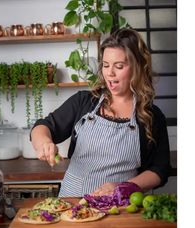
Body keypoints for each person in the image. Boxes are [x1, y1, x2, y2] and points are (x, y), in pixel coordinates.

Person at [31, 28, 171, 197]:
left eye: (119, 66)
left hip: (120, 209)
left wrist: (124, 187)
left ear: (137, 68)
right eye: (105, 65)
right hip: (72, 204)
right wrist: (44, 143)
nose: (110, 73)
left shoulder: (151, 116)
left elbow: (159, 169)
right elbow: (43, 127)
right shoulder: (84, 101)